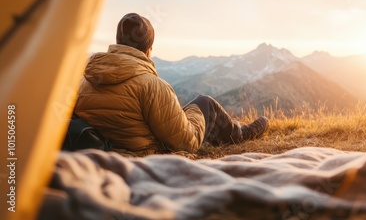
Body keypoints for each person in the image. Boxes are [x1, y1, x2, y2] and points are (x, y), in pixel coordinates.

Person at [73, 13, 268, 157]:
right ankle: (241, 134)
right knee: (204, 103)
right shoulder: (152, 86)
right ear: (148, 50)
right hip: (144, 158)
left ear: (117, 42)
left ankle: (227, 132)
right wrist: (196, 115)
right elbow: (186, 142)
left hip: (106, 155)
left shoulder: (85, 79)